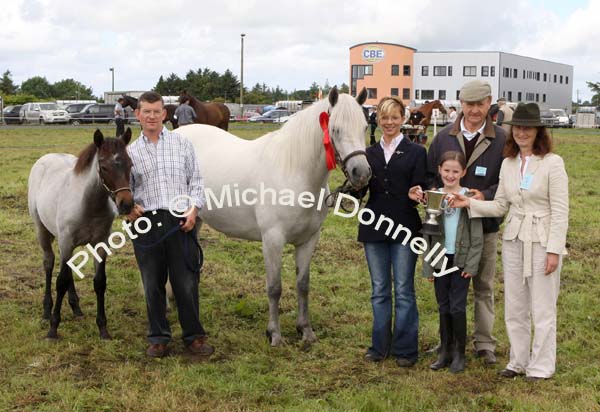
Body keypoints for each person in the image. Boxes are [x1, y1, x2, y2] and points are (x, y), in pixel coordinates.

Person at [452, 103, 569, 381]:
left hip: (541, 240)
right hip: (515, 239)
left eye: (527, 127)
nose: (522, 132)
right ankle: (518, 360)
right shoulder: (509, 163)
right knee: (515, 304)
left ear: (539, 130)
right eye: (517, 127)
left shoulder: (553, 163)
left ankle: (541, 366)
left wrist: (554, 250)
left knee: (542, 306)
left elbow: (561, 210)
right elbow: (500, 205)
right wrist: (468, 202)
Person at [411, 80, 506, 365]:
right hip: (446, 232)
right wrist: (430, 196)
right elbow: (429, 177)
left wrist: (483, 195)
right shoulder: (442, 138)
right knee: (447, 294)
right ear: (461, 104)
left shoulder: (502, 138)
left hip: (483, 227)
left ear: (489, 103)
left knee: (483, 286)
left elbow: (506, 182)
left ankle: (484, 344)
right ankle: (448, 343)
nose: (474, 110)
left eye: (480, 104)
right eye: (469, 105)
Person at [126, 91, 214, 358]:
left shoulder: (182, 144)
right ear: (137, 115)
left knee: (186, 281)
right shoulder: (130, 152)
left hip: (179, 221)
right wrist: (127, 210)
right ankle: (158, 338)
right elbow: (122, 189)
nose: (152, 116)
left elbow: (196, 181)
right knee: (152, 282)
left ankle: (194, 337)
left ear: (165, 114)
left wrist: (194, 210)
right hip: (147, 223)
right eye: (146, 112)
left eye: (157, 111)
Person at [357, 96, 427, 367]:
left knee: (404, 289)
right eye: (384, 117)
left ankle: (406, 349)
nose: (389, 122)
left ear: (403, 119)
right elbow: (360, 190)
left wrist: (417, 192)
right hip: (373, 226)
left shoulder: (416, 152)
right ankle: (379, 346)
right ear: (377, 119)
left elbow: (422, 184)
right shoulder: (367, 153)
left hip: (405, 226)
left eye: (394, 117)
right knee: (379, 289)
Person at [417, 151, 483, 373]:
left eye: (456, 171)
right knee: (443, 304)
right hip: (439, 259)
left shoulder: (469, 197)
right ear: (439, 170)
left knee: (457, 306)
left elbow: (477, 236)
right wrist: (428, 265)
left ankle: (459, 353)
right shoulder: (434, 196)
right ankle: (444, 350)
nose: (451, 175)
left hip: (461, 260)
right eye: (446, 170)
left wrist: (472, 265)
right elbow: (428, 234)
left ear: (463, 172)